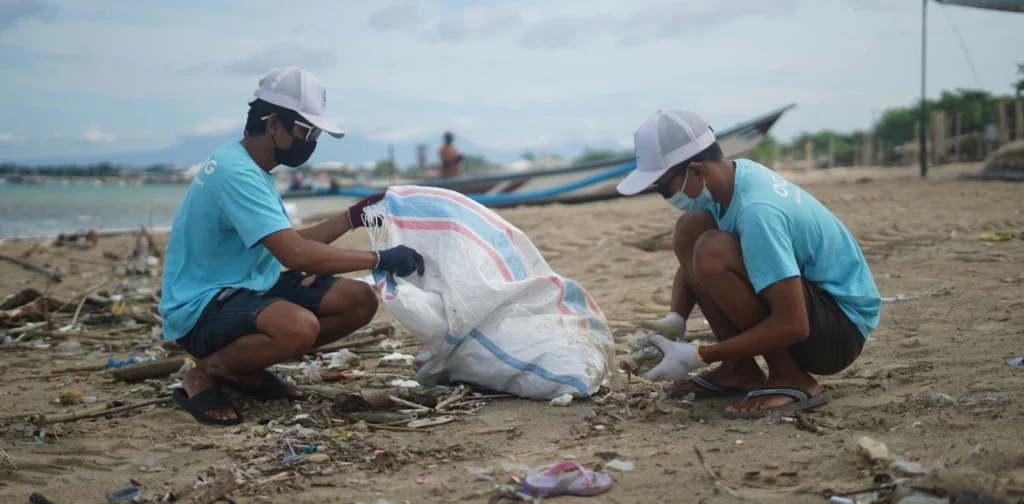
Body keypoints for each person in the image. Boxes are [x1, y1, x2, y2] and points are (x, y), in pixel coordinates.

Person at [160, 67, 425, 426]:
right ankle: (205, 373)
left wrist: (353, 217)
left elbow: (289, 241)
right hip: (202, 307)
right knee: (298, 327)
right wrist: (378, 258)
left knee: (358, 301)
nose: (312, 141)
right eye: (307, 130)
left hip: (248, 287)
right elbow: (296, 255)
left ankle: (244, 370)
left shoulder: (249, 165)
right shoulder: (237, 173)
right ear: (273, 124)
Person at [616, 109, 881, 419]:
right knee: (691, 229)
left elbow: (794, 323)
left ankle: (791, 377)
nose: (663, 195)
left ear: (697, 171)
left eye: (662, 187)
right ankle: (738, 370)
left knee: (712, 250)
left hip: (839, 330)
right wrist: (677, 316)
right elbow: (691, 264)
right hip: (816, 311)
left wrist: (699, 355)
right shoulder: (730, 181)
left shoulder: (758, 210)